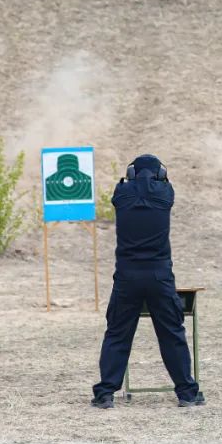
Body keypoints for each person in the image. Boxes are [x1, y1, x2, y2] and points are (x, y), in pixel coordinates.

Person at [91, 154, 204, 409]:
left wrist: (129, 179)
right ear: (161, 176)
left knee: (117, 334)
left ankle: (105, 394)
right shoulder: (164, 196)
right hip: (159, 275)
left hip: (127, 275)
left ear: (131, 175)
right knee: (172, 333)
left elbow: (120, 189)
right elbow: (166, 186)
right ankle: (186, 392)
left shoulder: (122, 196)